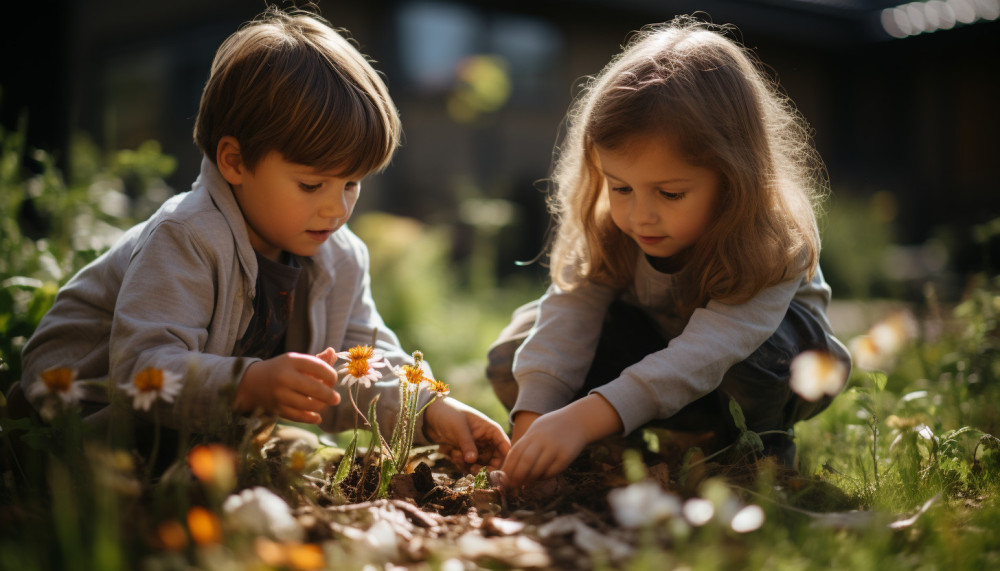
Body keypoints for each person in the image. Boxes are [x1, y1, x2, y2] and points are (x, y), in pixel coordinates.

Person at [18, 6, 508, 471]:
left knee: (304, 457)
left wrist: (430, 410)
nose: (337, 208)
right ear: (234, 161)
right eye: (312, 185)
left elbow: (363, 363)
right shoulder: (186, 236)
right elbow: (141, 370)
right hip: (84, 429)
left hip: (206, 437)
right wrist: (249, 384)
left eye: (351, 184)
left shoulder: (338, 257)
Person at [489, 16, 850, 489]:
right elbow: (567, 317)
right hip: (662, 363)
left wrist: (585, 416)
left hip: (776, 373)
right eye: (620, 188)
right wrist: (534, 421)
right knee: (516, 353)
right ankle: (615, 450)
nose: (641, 216)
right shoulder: (608, 226)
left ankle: (755, 454)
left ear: (735, 177)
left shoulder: (771, 239)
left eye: (671, 194)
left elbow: (708, 352)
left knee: (761, 358)